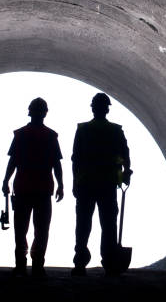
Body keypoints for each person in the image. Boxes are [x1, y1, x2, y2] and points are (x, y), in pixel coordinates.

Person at [71, 93, 132, 276]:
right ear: (106, 109)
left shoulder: (82, 129)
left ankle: (80, 263)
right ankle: (110, 262)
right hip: (108, 184)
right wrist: (125, 176)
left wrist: (75, 182)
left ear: (92, 108)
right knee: (108, 225)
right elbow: (124, 156)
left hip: (86, 184)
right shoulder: (115, 130)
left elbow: (76, 159)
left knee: (83, 224)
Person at [2, 98, 64, 277]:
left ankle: (21, 265)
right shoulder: (51, 136)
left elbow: (13, 161)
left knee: (22, 228)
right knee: (41, 229)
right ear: (45, 113)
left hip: (24, 188)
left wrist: (6, 180)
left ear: (30, 112)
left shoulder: (21, 134)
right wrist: (60, 185)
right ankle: (37, 265)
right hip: (42, 189)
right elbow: (56, 164)